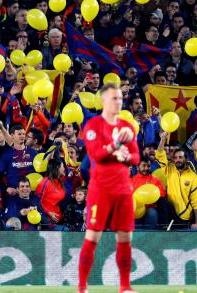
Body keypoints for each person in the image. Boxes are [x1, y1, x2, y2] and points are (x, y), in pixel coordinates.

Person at [77, 84, 140, 293]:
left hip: (123, 189)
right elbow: (96, 155)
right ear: (103, 100)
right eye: (114, 98)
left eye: (120, 98)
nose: (119, 102)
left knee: (125, 237)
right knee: (93, 236)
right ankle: (82, 287)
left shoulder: (127, 127)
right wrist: (115, 146)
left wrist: (127, 157)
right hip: (101, 189)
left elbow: (137, 158)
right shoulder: (93, 126)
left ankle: (125, 286)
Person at [156, 130, 197, 229]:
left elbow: (196, 202)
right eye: (175, 158)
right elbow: (159, 155)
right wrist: (163, 139)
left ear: (186, 158)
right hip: (171, 212)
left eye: (180, 157)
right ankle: (164, 230)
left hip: (184, 217)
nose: (177, 160)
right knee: (162, 200)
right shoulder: (170, 170)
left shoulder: (193, 177)